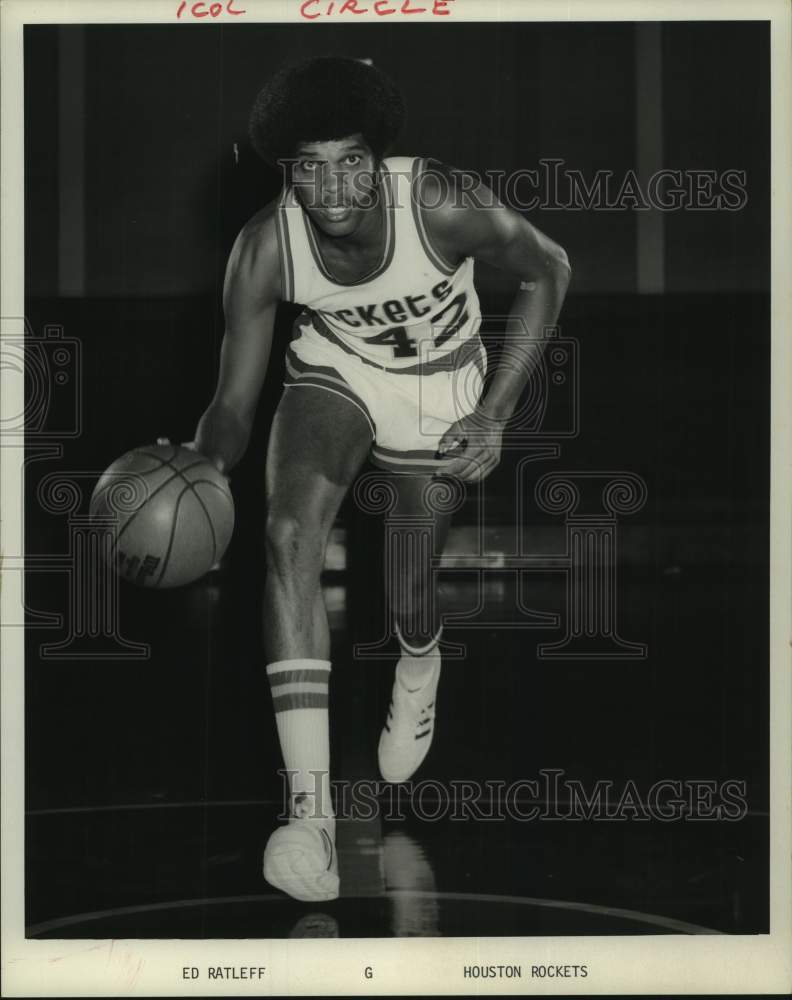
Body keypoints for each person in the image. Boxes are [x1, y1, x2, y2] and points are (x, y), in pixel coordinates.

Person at [192, 56, 571, 902]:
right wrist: (197, 462)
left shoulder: (439, 203)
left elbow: (550, 270)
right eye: (309, 165)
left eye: (351, 159)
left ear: (379, 158)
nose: (333, 184)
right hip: (340, 371)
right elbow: (233, 405)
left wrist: (496, 412)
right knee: (289, 535)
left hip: (443, 386)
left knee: (406, 592)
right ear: (285, 170)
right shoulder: (264, 249)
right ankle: (309, 816)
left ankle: (419, 658)